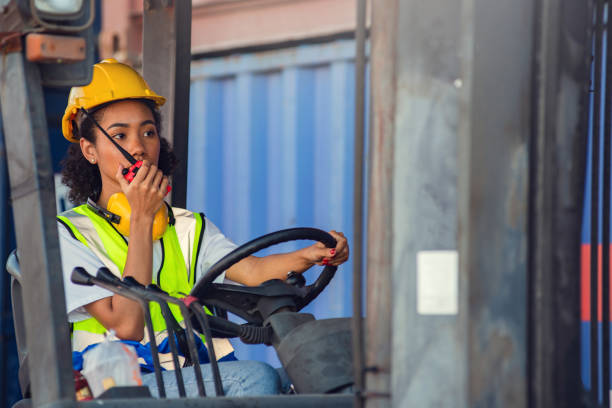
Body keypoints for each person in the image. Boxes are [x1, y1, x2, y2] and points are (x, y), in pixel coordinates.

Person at [56, 58, 349, 398]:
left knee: (320, 377)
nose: (138, 147)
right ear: (90, 150)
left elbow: (254, 270)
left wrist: (312, 254)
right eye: (120, 135)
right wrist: (140, 219)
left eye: (148, 132)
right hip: (119, 386)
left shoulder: (187, 226)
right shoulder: (69, 234)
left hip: (194, 377)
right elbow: (127, 325)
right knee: (256, 380)